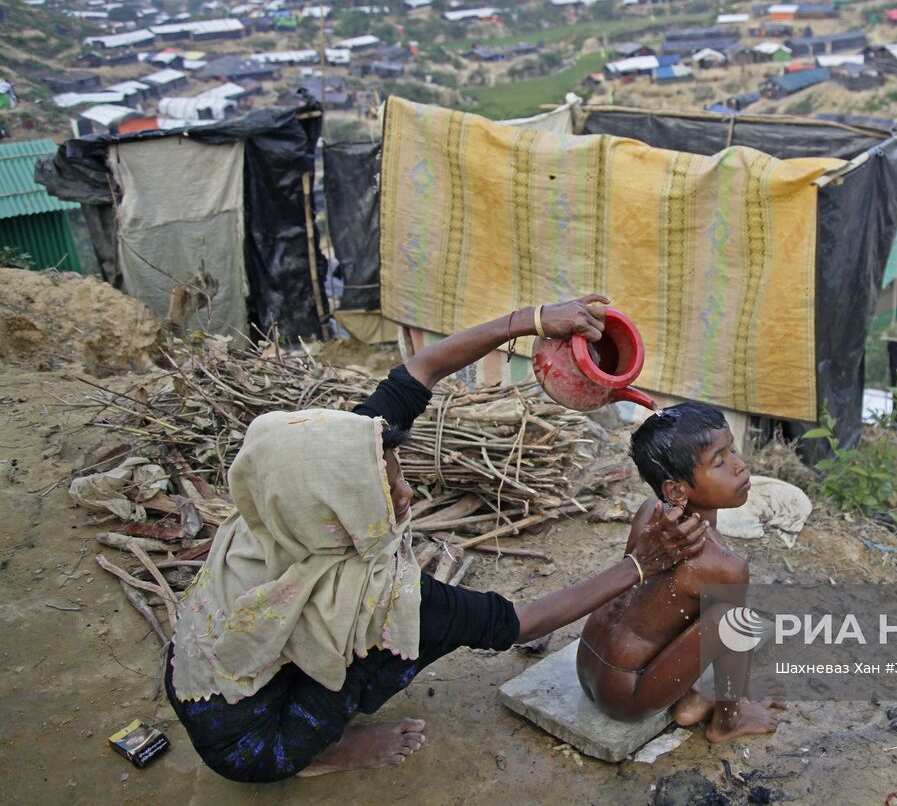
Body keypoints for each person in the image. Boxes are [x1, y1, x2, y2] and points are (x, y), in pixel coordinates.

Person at [164, 296, 708, 783]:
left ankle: (306, 691)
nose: (406, 490)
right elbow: (519, 624)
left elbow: (424, 368)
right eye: (387, 488)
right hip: (247, 744)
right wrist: (640, 564)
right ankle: (315, 752)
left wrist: (536, 319)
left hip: (200, 671)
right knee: (399, 639)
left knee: (362, 634)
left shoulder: (305, 478)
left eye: (396, 467)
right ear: (341, 511)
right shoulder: (380, 597)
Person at [576, 403, 785, 743]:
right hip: (627, 696)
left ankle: (693, 697)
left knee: (689, 605)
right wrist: (737, 699)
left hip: (589, 664)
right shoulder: (725, 566)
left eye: (732, 449)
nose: (739, 465)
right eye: (720, 461)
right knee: (734, 619)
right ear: (675, 490)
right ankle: (726, 722)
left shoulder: (650, 512)